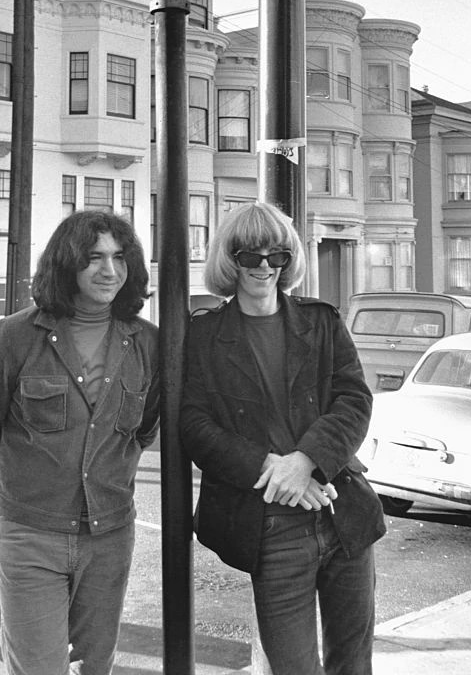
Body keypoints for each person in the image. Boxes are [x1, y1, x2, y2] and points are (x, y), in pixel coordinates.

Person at [180, 202, 386, 675]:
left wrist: (307, 460)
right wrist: (275, 468)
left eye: (276, 257)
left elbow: (354, 399)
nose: (265, 268)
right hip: (271, 529)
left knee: (353, 664)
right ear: (230, 261)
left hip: (344, 516)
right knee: (292, 667)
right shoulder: (205, 335)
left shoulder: (321, 321)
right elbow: (194, 426)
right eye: (251, 257)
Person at [0, 210, 159, 675]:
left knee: (95, 667)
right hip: (31, 537)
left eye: (118, 257)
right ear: (67, 263)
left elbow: (144, 429)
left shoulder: (149, 343)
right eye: (93, 258)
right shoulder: (16, 336)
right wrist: (24, 486)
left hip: (109, 538)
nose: (109, 271)